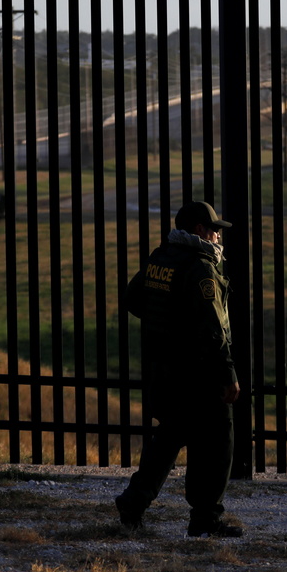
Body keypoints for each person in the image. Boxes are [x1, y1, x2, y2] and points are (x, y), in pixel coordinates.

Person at [115, 201, 243, 538]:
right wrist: (228, 373)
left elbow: (133, 298)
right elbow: (213, 329)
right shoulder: (201, 268)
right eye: (214, 229)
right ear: (200, 230)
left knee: (171, 435)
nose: (218, 236)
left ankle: (133, 502)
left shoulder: (162, 258)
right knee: (218, 440)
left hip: (165, 367)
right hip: (199, 370)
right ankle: (205, 518)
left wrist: (168, 325)